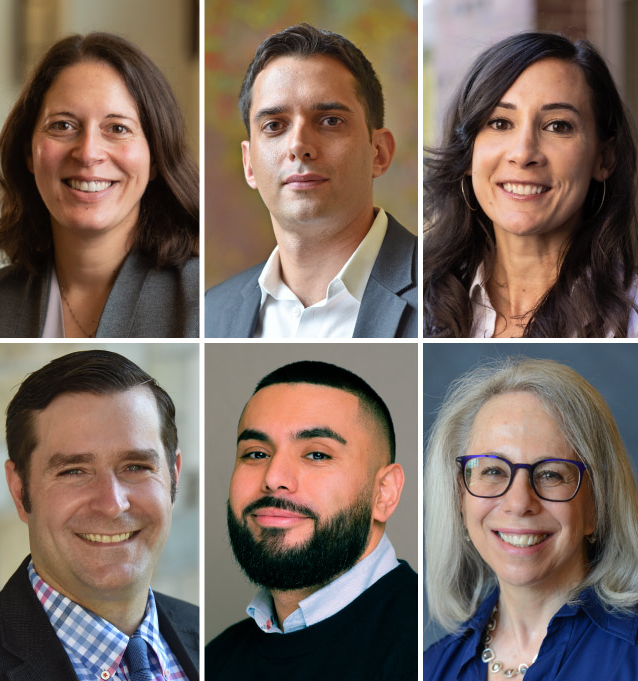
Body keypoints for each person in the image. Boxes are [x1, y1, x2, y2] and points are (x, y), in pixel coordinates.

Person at [0, 350, 199, 680]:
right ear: (19, 490)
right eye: (74, 471)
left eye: (136, 467)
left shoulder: (212, 640)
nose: (112, 504)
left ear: (174, 476)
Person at [424, 359, 638, 679]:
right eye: (493, 471)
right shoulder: (432, 668)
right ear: (460, 498)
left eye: (551, 474)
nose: (519, 503)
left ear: (596, 503)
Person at [207, 361, 416, 680]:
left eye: (317, 454)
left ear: (384, 493)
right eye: (256, 454)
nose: (274, 478)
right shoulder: (215, 659)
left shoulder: (430, 649)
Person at [205, 24, 417, 339]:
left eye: (331, 121)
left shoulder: (441, 287)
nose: (299, 146)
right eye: (275, 125)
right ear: (248, 164)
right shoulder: (212, 312)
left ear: (379, 153)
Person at [424, 33, 638, 337]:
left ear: (603, 159)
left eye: (558, 126)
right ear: (468, 154)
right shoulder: (415, 302)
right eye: (500, 123)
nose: (523, 154)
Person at [0, 33, 199, 338]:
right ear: (28, 154)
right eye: (62, 125)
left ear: (155, 158)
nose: (88, 153)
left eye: (117, 128)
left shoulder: (202, 303)